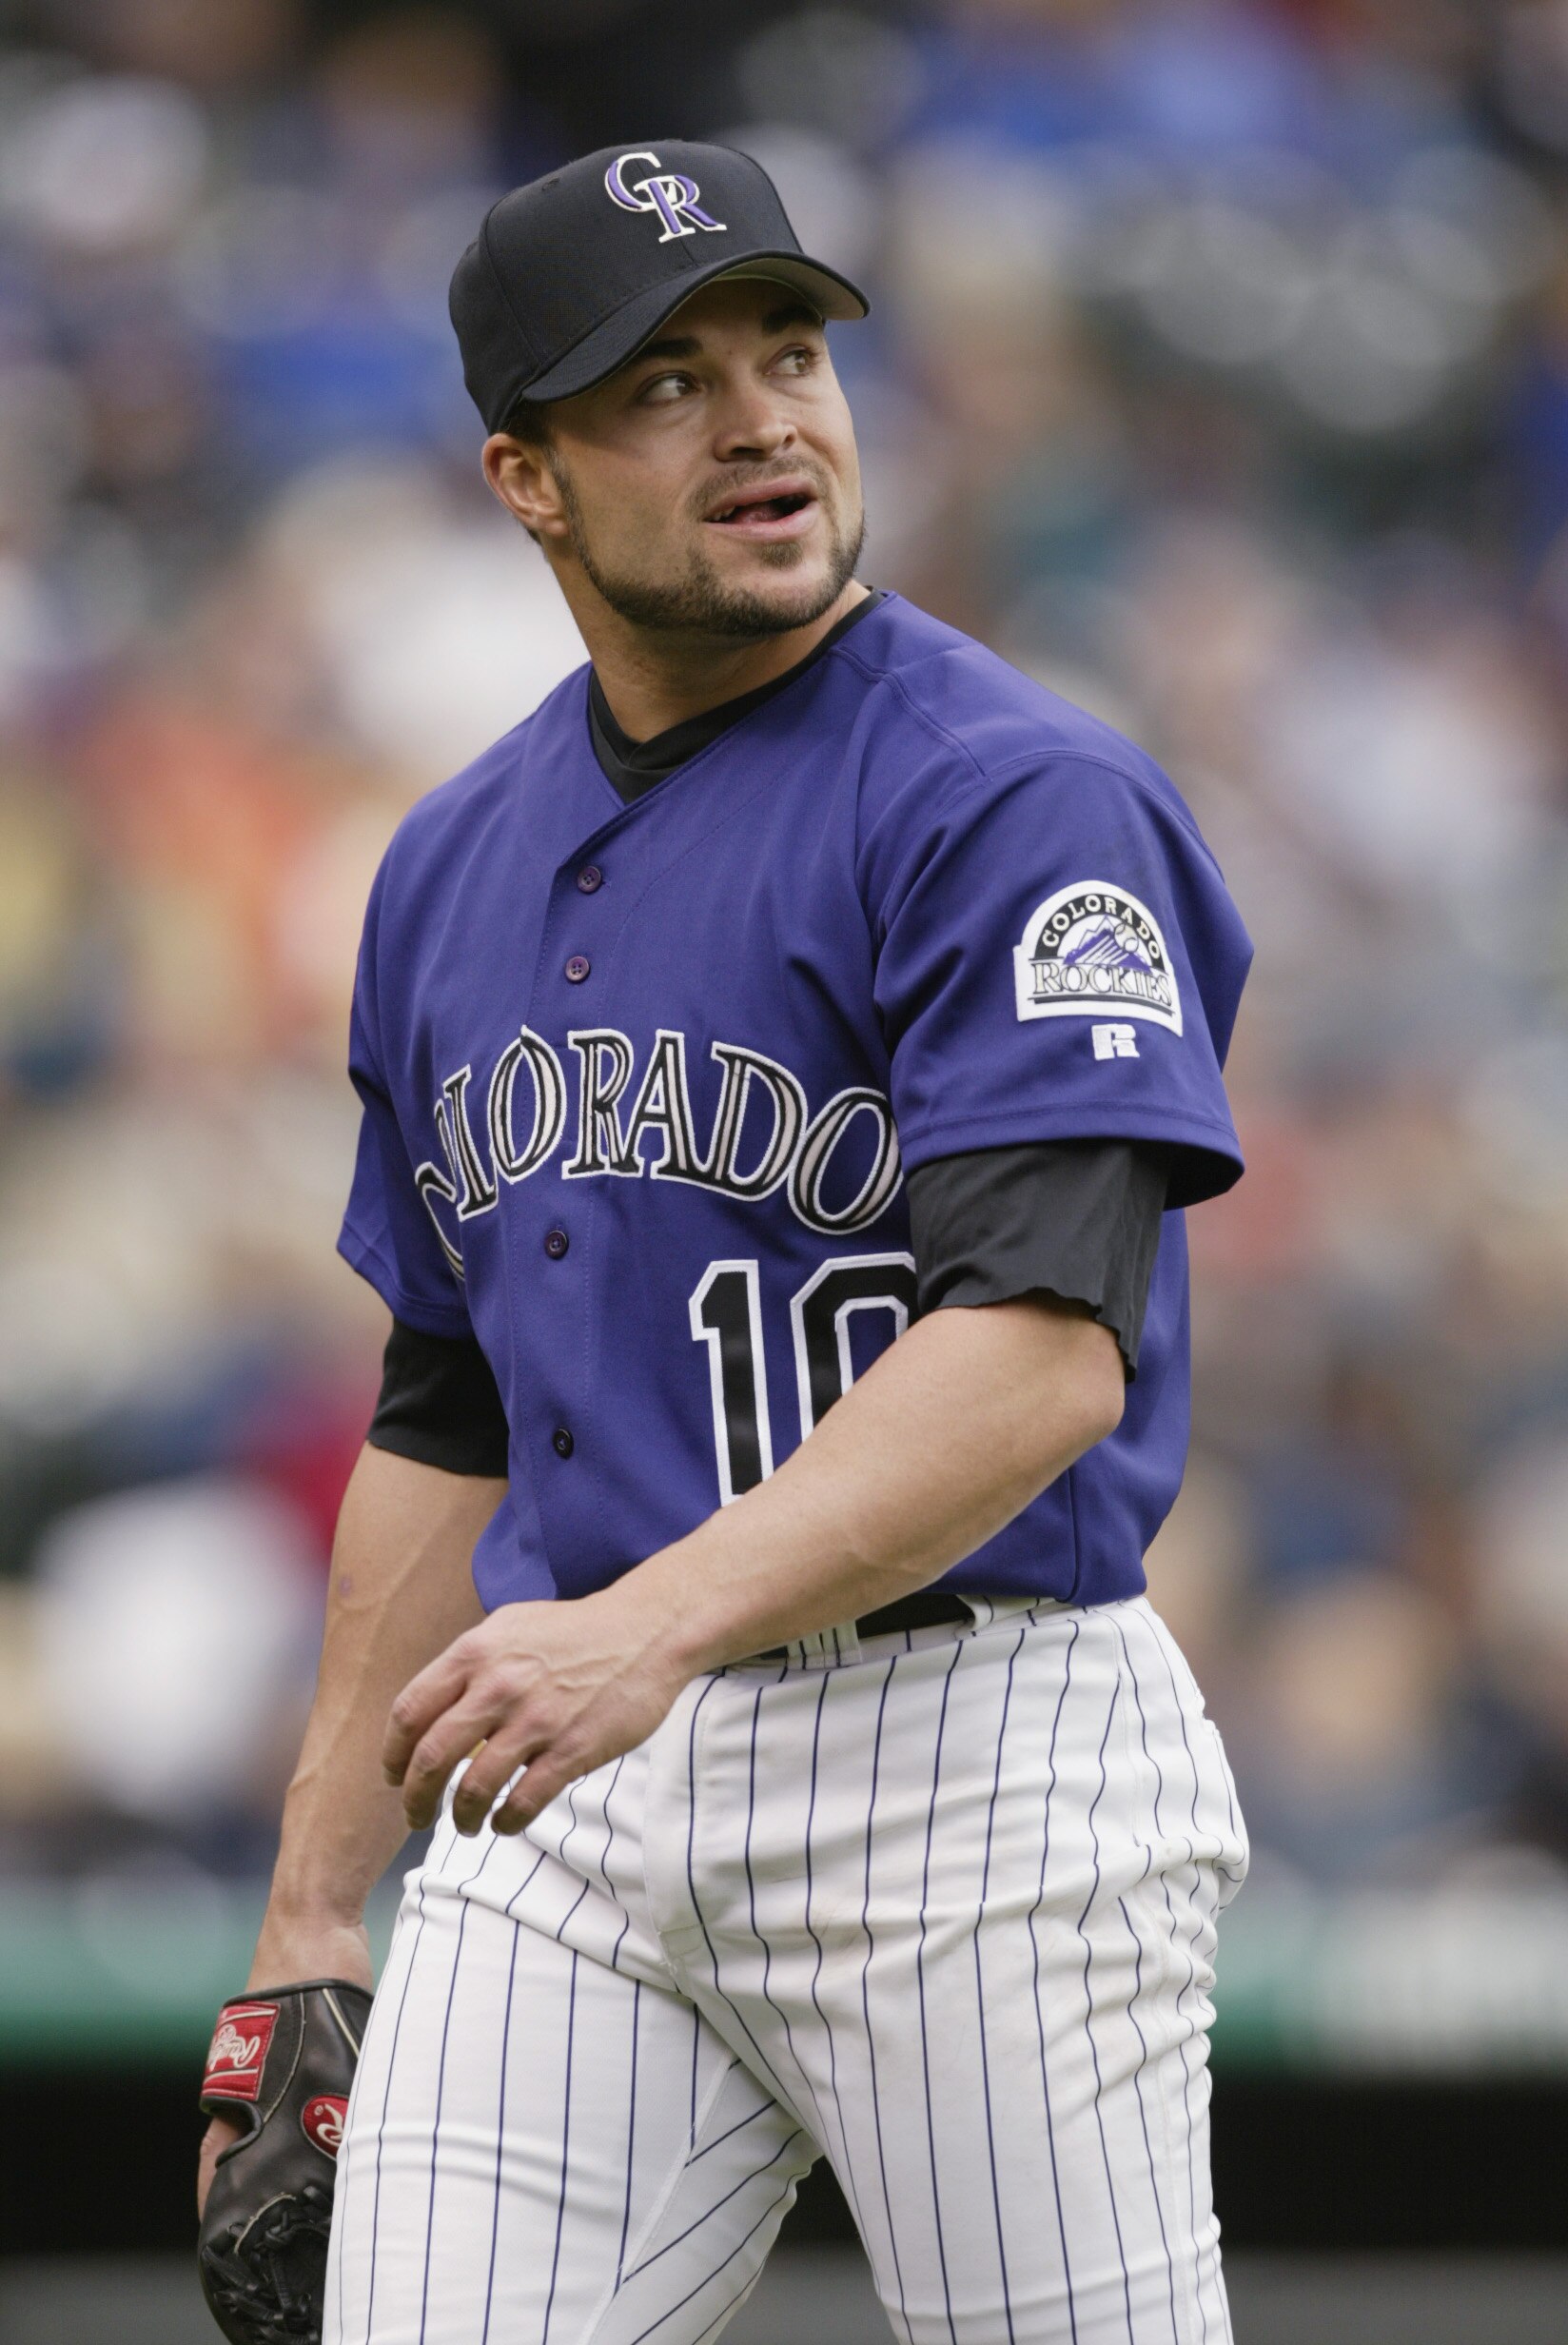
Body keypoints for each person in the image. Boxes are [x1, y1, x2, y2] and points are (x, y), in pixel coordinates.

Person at [197, 140, 1251, 2345]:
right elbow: (444, 1390)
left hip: (972, 1754)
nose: (764, 415)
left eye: (787, 349)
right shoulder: (450, 864)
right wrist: (311, 1900)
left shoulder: (1003, 793)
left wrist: (639, 1631)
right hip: (573, 1778)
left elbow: (1045, 1343)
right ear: (529, 475)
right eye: (662, 382)